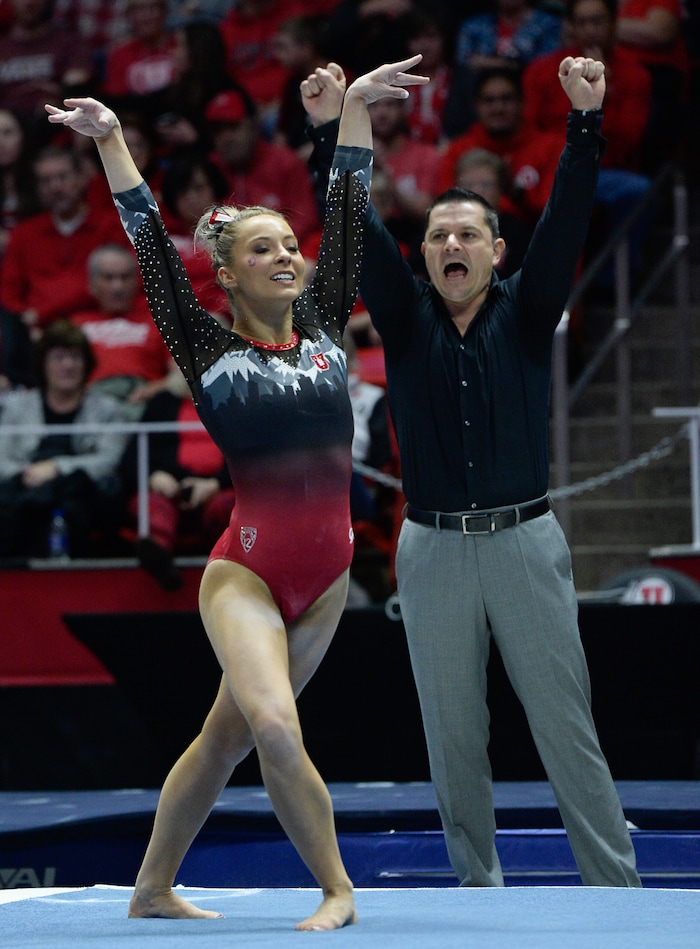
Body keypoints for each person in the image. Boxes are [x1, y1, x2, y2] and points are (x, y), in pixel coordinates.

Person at [46, 53, 429, 927]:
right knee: (275, 726)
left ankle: (150, 888)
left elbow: (347, 204)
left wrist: (355, 113)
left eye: (291, 245)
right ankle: (338, 888)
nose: (288, 256)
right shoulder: (207, 350)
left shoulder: (330, 319)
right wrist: (112, 143)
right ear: (230, 273)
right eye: (266, 249)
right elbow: (148, 236)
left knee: (223, 738)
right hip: (247, 573)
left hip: (327, 579)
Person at [353, 56, 642, 888]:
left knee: (566, 728)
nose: (451, 243)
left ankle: (616, 892)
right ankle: (479, 896)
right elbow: (357, 229)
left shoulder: (527, 308)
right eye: (439, 234)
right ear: (425, 252)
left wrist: (585, 118)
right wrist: (339, 128)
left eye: (467, 233)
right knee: (453, 740)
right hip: (433, 550)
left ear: (496, 250)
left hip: (525, 541)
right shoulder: (404, 317)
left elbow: (569, 216)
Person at [0, 319, 127, 558]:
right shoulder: (17, 408)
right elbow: (2, 459)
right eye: (59, 357)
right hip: (25, 490)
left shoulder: (108, 408)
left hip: (81, 494)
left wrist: (57, 467)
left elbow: (109, 460)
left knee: (89, 490)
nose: (68, 365)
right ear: (43, 364)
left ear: (86, 363)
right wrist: (28, 473)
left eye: (76, 357)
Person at [120, 370, 235, 591]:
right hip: (168, 489)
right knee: (151, 506)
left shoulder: (240, 400)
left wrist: (215, 484)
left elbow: (255, 459)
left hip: (218, 489)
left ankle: (227, 566)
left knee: (228, 508)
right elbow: (132, 458)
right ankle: (159, 559)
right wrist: (154, 476)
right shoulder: (162, 403)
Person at [0, 145, 131, 335]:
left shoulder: (111, 226)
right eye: (46, 181)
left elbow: (123, 284)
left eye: (63, 177)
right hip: (39, 333)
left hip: (99, 324)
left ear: (81, 178)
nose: (55, 187)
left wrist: (43, 313)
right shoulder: (24, 234)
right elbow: (8, 293)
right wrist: (24, 320)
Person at [70, 243, 176, 419]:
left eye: (125, 277)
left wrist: (151, 391)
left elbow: (180, 377)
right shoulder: (76, 325)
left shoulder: (160, 322)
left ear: (136, 281)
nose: (117, 287)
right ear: (92, 283)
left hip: (144, 402)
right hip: (90, 405)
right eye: (108, 278)